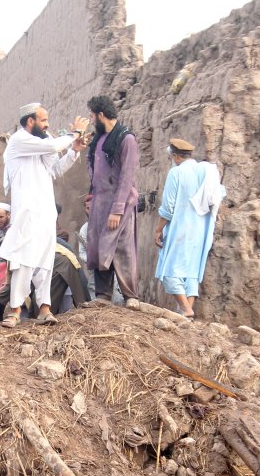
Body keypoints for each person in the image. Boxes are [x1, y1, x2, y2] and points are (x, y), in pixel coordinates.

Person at [0, 102, 88, 328]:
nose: (47, 124)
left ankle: (44, 308)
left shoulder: (44, 141)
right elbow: (53, 148)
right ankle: (15, 310)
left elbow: (55, 169)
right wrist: (73, 133)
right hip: (26, 211)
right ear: (30, 121)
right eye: (43, 120)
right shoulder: (19, 140)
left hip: (45, 211)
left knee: (45, 260)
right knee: (23, 260)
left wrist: (74, 150)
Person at [155, 138, 225, 317]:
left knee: (170, 271)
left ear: (176, 156)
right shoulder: (206, 171)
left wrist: (158, 230)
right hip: (201, 230)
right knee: (191, 272)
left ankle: (186, 309)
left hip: (181, 228)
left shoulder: (176, 172)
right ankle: (185, 313)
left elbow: (168, 207)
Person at [84, 95, 140, 305]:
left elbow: (126, 177)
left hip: (120, 203)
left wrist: (117, 210)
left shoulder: (126, 139)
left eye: (91, 116)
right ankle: (103, 295)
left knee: (122, 248)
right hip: (100, 202)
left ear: (100, 115)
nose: (90, 120)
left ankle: (130, 296)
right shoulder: (98, 140)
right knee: (98, 246)